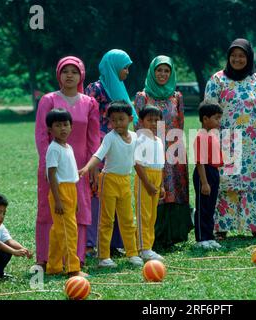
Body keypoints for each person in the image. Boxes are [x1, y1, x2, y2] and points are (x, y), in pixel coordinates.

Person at [204, 38, 256, 240]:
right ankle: (221, 228)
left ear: (248, 57)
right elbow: (208, 111)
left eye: (241, 55)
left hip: (252, 142)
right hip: (225, 140)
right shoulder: (217, 80)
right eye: (233, 55)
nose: (237, 59)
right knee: (225, 183)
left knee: (252, 183)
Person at [35, 56, 100, 269]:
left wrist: (92, 167)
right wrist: (47, 163)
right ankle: (47, 258)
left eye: (74, 71)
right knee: (50, 208)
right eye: (65, 71)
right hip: (53, 166)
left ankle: (75, 258)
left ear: (81, 74)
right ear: (58, 75)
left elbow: (93, 137)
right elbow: (41, 135)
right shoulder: (48, 100)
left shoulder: (89, 102)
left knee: (78, 209)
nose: (69, 75)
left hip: (79, 167)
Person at [134, 55, 192, 248]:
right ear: (152, 71)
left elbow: (180, 123)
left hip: (173, 150)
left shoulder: (177, 97)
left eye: (167, 71)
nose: (163, 74)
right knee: (153, 188)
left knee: (174, 189)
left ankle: (174, 234)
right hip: (150, 150)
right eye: (159, 70)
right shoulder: (143, 97)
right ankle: (153, 237)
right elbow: (137, 125)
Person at [85, 49, 138, 256]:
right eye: (124, 67)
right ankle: (92, 243)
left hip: (118, 149)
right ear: (113, 67)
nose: (126, 72)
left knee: (118, 198)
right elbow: (88, 117)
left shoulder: (119, 88)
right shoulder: (95, 88)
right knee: (97, 194)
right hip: (99, 147)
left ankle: (116, 243)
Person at [79, 101, 143, 267]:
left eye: (121, 119)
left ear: (130, 119)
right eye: (113, 120)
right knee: (106, 220)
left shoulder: (135, 137)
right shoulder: (109, 137)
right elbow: (98, 155)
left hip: (124, 181)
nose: (117, 124)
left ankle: (132, 253)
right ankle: (104, 257)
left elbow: (136, 161)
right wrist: (86, 168)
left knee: (128, 219)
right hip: (108, 180)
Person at [45, 109, 88, 277]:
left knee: (58, 230)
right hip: (60, 191)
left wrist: (75, 201)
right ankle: (73, 268)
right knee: (69, 231)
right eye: (57, 125)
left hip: (71, 190)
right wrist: (57, 200)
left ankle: (54, 266)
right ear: (50, 129)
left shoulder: (67, 147)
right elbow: (51, 174)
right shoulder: (54, 149)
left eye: (65, 124)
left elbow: (69, 174)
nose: (63, 128)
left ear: (71, 127)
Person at [134, 106, 165, 261]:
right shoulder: (140, 139)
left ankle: (148, 246)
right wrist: (147, 183)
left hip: (157, 177)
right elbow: (137, 164)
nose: (153, 123)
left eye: (156, 120)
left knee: (153, 215)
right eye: (149, 120)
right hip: (144, 178)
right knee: (143, 215)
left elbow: (160, 163)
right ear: (142, 121)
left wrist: (162, 185)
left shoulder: (159, 140)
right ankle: (142, 248)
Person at [193, 102, 224, 249]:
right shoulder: (201, 136)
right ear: (205, 119)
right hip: (203, 173)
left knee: (211, 207)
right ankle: (201, 239)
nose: (219, 121)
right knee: (203, 207)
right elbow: (200, 162)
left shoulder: (213, 135)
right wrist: (204, 183)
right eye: (216, 118)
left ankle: (209, 236)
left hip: (213, 172)